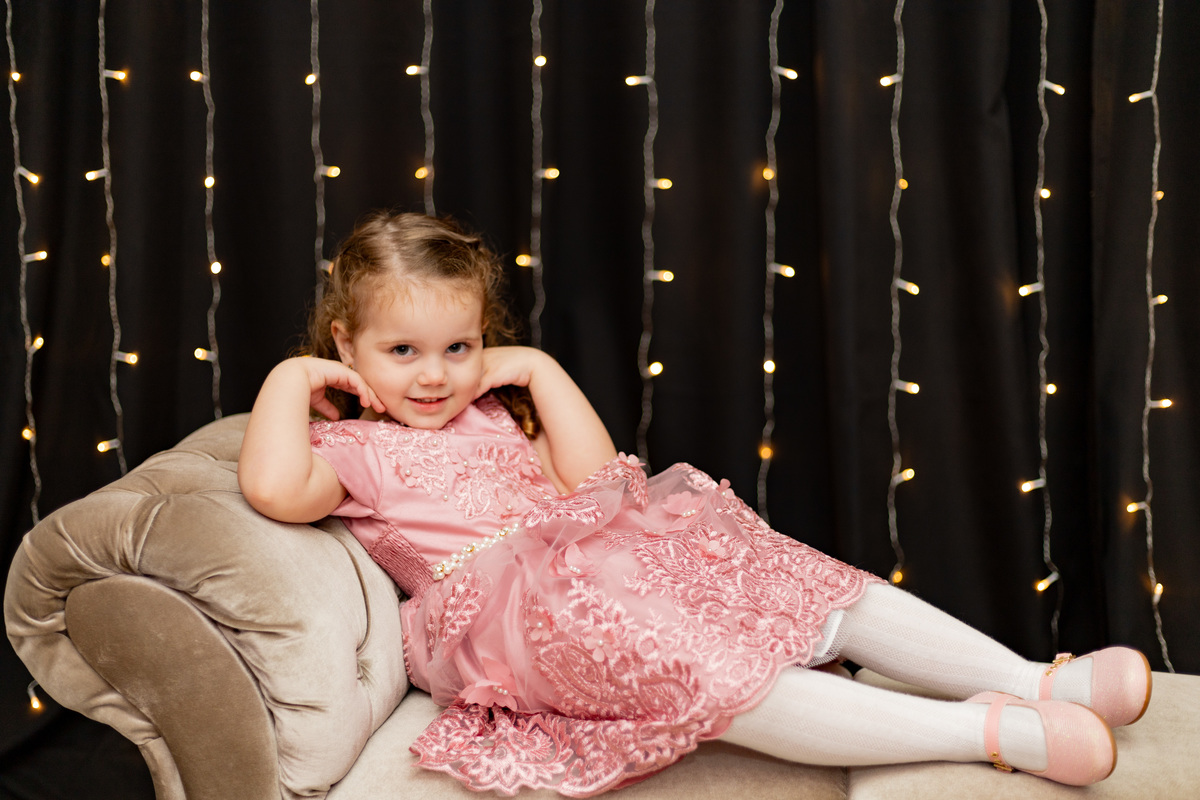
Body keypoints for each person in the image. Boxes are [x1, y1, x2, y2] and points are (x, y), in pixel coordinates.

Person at [239, 210, 1151, 796]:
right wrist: (291, 377)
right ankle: (986, 731)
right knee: (703, 671)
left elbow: (597, 483)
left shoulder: (492, 410)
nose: (435, 376)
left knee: (793, 580)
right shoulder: (350, 447)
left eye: (459, 347)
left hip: (600, 559)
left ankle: (1034, 680)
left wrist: (537, 368)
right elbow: (276, 490)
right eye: (401, 351)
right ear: (345, 345)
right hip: (505, 615)